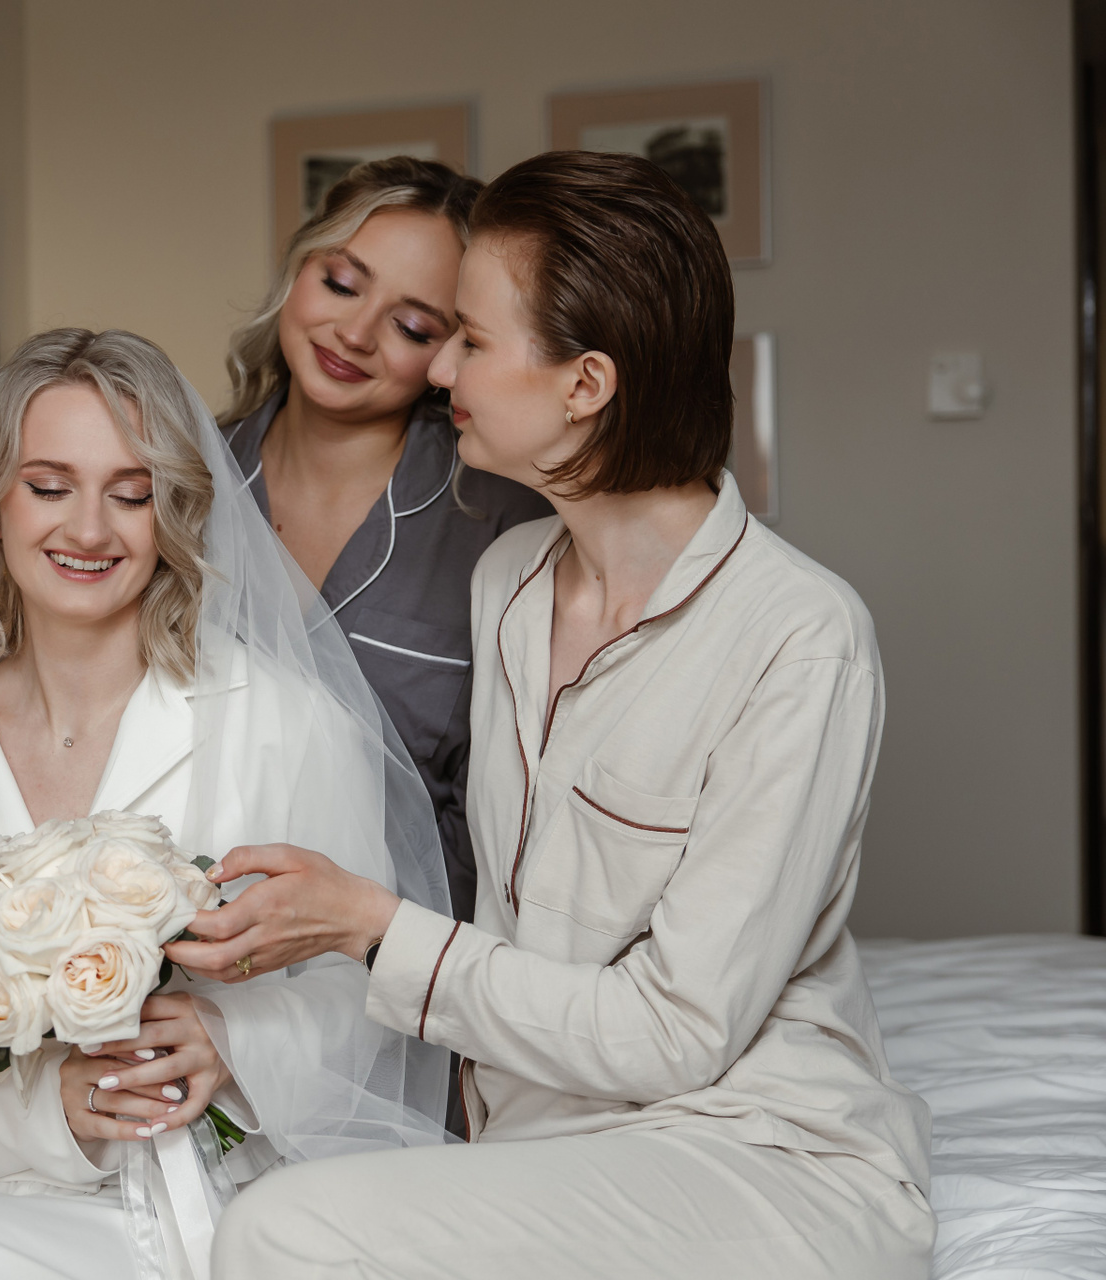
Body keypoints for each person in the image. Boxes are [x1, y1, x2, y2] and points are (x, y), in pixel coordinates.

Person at [168, 152, 936, 1278]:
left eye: (470, 341)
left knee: (280, 1230)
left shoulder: (801, 635)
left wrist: (368, 926)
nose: (441, 372)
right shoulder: (513, 582)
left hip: (759, 1153)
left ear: (585, 385)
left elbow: (679, 1033)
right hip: (542, 1147)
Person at [0, 329, 452, 1280]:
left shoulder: (286, 724)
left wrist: (234, 1039)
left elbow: (373, 998)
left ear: (173, 512)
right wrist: (53, 1107)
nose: (90, 530)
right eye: (49, 487)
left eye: (131, 494)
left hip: (233, 1199)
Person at [220, 155, 551, 923]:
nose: (355, 333)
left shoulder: (503, 528)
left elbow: (507, 827)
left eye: (411, 326)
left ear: (454, 350)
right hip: (188, 942)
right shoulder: (175, 482)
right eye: (341, 283)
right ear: (299, 268)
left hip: (405, 957)